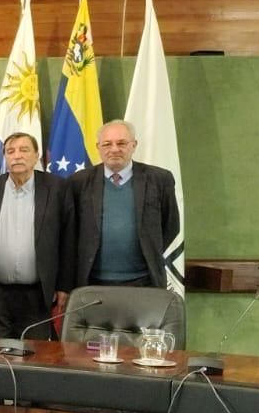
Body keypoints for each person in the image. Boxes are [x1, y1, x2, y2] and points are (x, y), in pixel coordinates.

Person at [0, 132, 75, 339]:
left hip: (38, 293)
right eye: (10, 151)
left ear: (37, 156)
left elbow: (68, 239)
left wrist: (64, 286)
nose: (17, 156)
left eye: (24, 150)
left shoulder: (58, 189)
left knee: (35, 356)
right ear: (5, 158)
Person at [70, 119, 181, 289]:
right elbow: (71, 230)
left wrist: (148, 249)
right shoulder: (79, 182)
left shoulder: (159, 179)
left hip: (144, 282)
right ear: (98, 147)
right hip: (92, 283)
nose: (114, 149)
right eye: (107, 144)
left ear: (134, 145)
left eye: (121, 143)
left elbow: (171, 225)